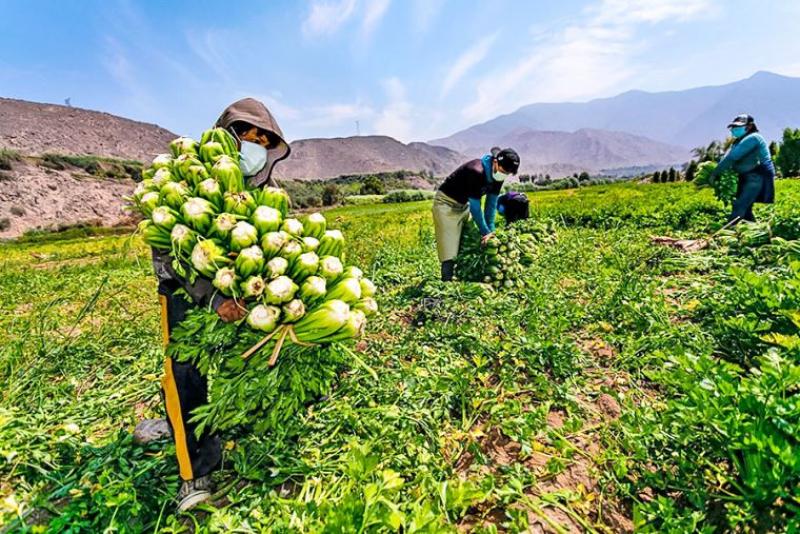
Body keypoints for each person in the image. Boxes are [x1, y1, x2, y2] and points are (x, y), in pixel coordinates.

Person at [133, 98, 291, 511]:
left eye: (265, 140)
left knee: (248, 364)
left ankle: (186, 427)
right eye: (248, 136)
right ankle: (194, 474)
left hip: (243, 299)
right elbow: (167, 250)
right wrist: (214, 295)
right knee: (186, 376)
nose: (256, 146)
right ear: (226, 134)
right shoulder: (188, 180)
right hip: (186, 293)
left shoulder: (267, 192)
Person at [432, 147, 520, 281]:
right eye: (503, 171)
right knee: (449, 246)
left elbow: (490, 206)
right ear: (496, 162)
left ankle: (461, 275)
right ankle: (446, 283)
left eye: (507, 173)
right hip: (446, 204)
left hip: (462, 205)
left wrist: (491, 233)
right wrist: (485, 232)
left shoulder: (498, 175)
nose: (504, 174)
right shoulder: (476, 171)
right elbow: (476, 208)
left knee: (464, 241)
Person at [713, 114, 775, 223]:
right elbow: (728, 156)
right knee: (746, 209)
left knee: (740, 205)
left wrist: (715, 173)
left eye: (738, 127)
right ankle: (756, 231)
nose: (734, 129)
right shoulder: (739, 141)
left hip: (756, 175)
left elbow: (732, 157)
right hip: (747, 175)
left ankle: (729, 231)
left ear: (749, 126)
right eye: (733, 127)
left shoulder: (753, 138)